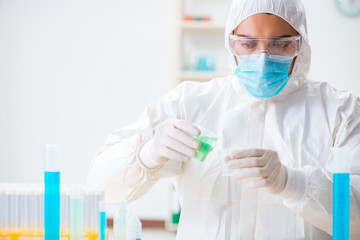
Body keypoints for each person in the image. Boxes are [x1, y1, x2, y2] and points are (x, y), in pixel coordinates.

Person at [88, 0, 360, 239]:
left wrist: (293, 183)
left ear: (300, 44)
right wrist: (147, 154)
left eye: (281, 44)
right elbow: (102, 188)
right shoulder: (190, 102)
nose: (262, 58)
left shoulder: (339, 111)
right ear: (231, 42)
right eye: (248, 44)